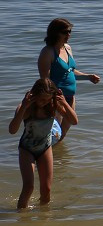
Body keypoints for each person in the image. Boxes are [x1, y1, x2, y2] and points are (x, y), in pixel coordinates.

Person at [9, 77, 78, 209]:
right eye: (41, 99)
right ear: (34, 95)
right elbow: (12, 130)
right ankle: (22, 219)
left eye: (47, 99)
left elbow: (74, 121)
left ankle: (44, 221)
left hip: (45, 148)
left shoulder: (53, 105)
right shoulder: (27, 107)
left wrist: (64, 103)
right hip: (26, 149)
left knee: (46, 189)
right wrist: (23, 106)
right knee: (28, 187)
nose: (44, 102)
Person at [37, 18, 100, 138]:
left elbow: (70, 71)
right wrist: (52, 97)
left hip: (70, 96)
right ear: (55, 33)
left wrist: (88, 77)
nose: (68, 35)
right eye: (65, 32)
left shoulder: (67, 48)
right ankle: (46, 154)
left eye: (70, 31)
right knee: (54, 133)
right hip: (57, 98)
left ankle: (58, 156)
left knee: (63, 132)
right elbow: (44, 80)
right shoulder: (47, 52)